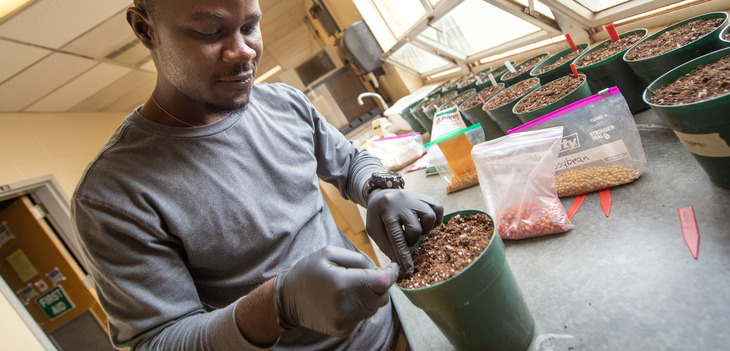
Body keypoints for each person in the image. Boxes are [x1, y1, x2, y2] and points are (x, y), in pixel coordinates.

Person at [70, 0, 444, 350]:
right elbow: (159, 341)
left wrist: (376, 187)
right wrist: (275, 306)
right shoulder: (111, 196)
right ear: (145, 29)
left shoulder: (283, 103)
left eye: (250, 26)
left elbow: (349, 163)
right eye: (209, 32)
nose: (243, 51)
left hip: (399, 330)